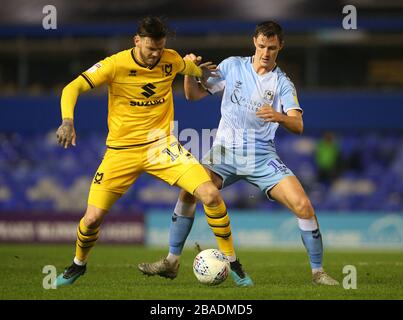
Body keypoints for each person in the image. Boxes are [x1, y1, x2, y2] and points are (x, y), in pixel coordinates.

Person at [54, 16, 252, 287]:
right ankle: (78, 265)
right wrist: (67, 120)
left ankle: (234, 264)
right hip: (121, 152)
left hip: (162, 146)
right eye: (150, 49)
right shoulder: (115, 64)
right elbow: (72, 87)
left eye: (160, 48)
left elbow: (192, 69)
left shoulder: (170, 59)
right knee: (91, 219)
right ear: (137, 41)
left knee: (210, 194)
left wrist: (198, 69)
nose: (156, 55)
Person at [139, 21, 339, 286]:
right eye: (261, 46)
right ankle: (172, 261)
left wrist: (277, 116)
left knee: (303, 206)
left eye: (272, 48)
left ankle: (318, 272)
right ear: (254, 42)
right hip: (225, 152)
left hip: (262, 157)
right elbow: (193, 96)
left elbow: (298, 125)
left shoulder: (282, 84)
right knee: (189, 190)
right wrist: (189, 73)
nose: (266, 53)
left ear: (280, 47)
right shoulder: (232, 66)